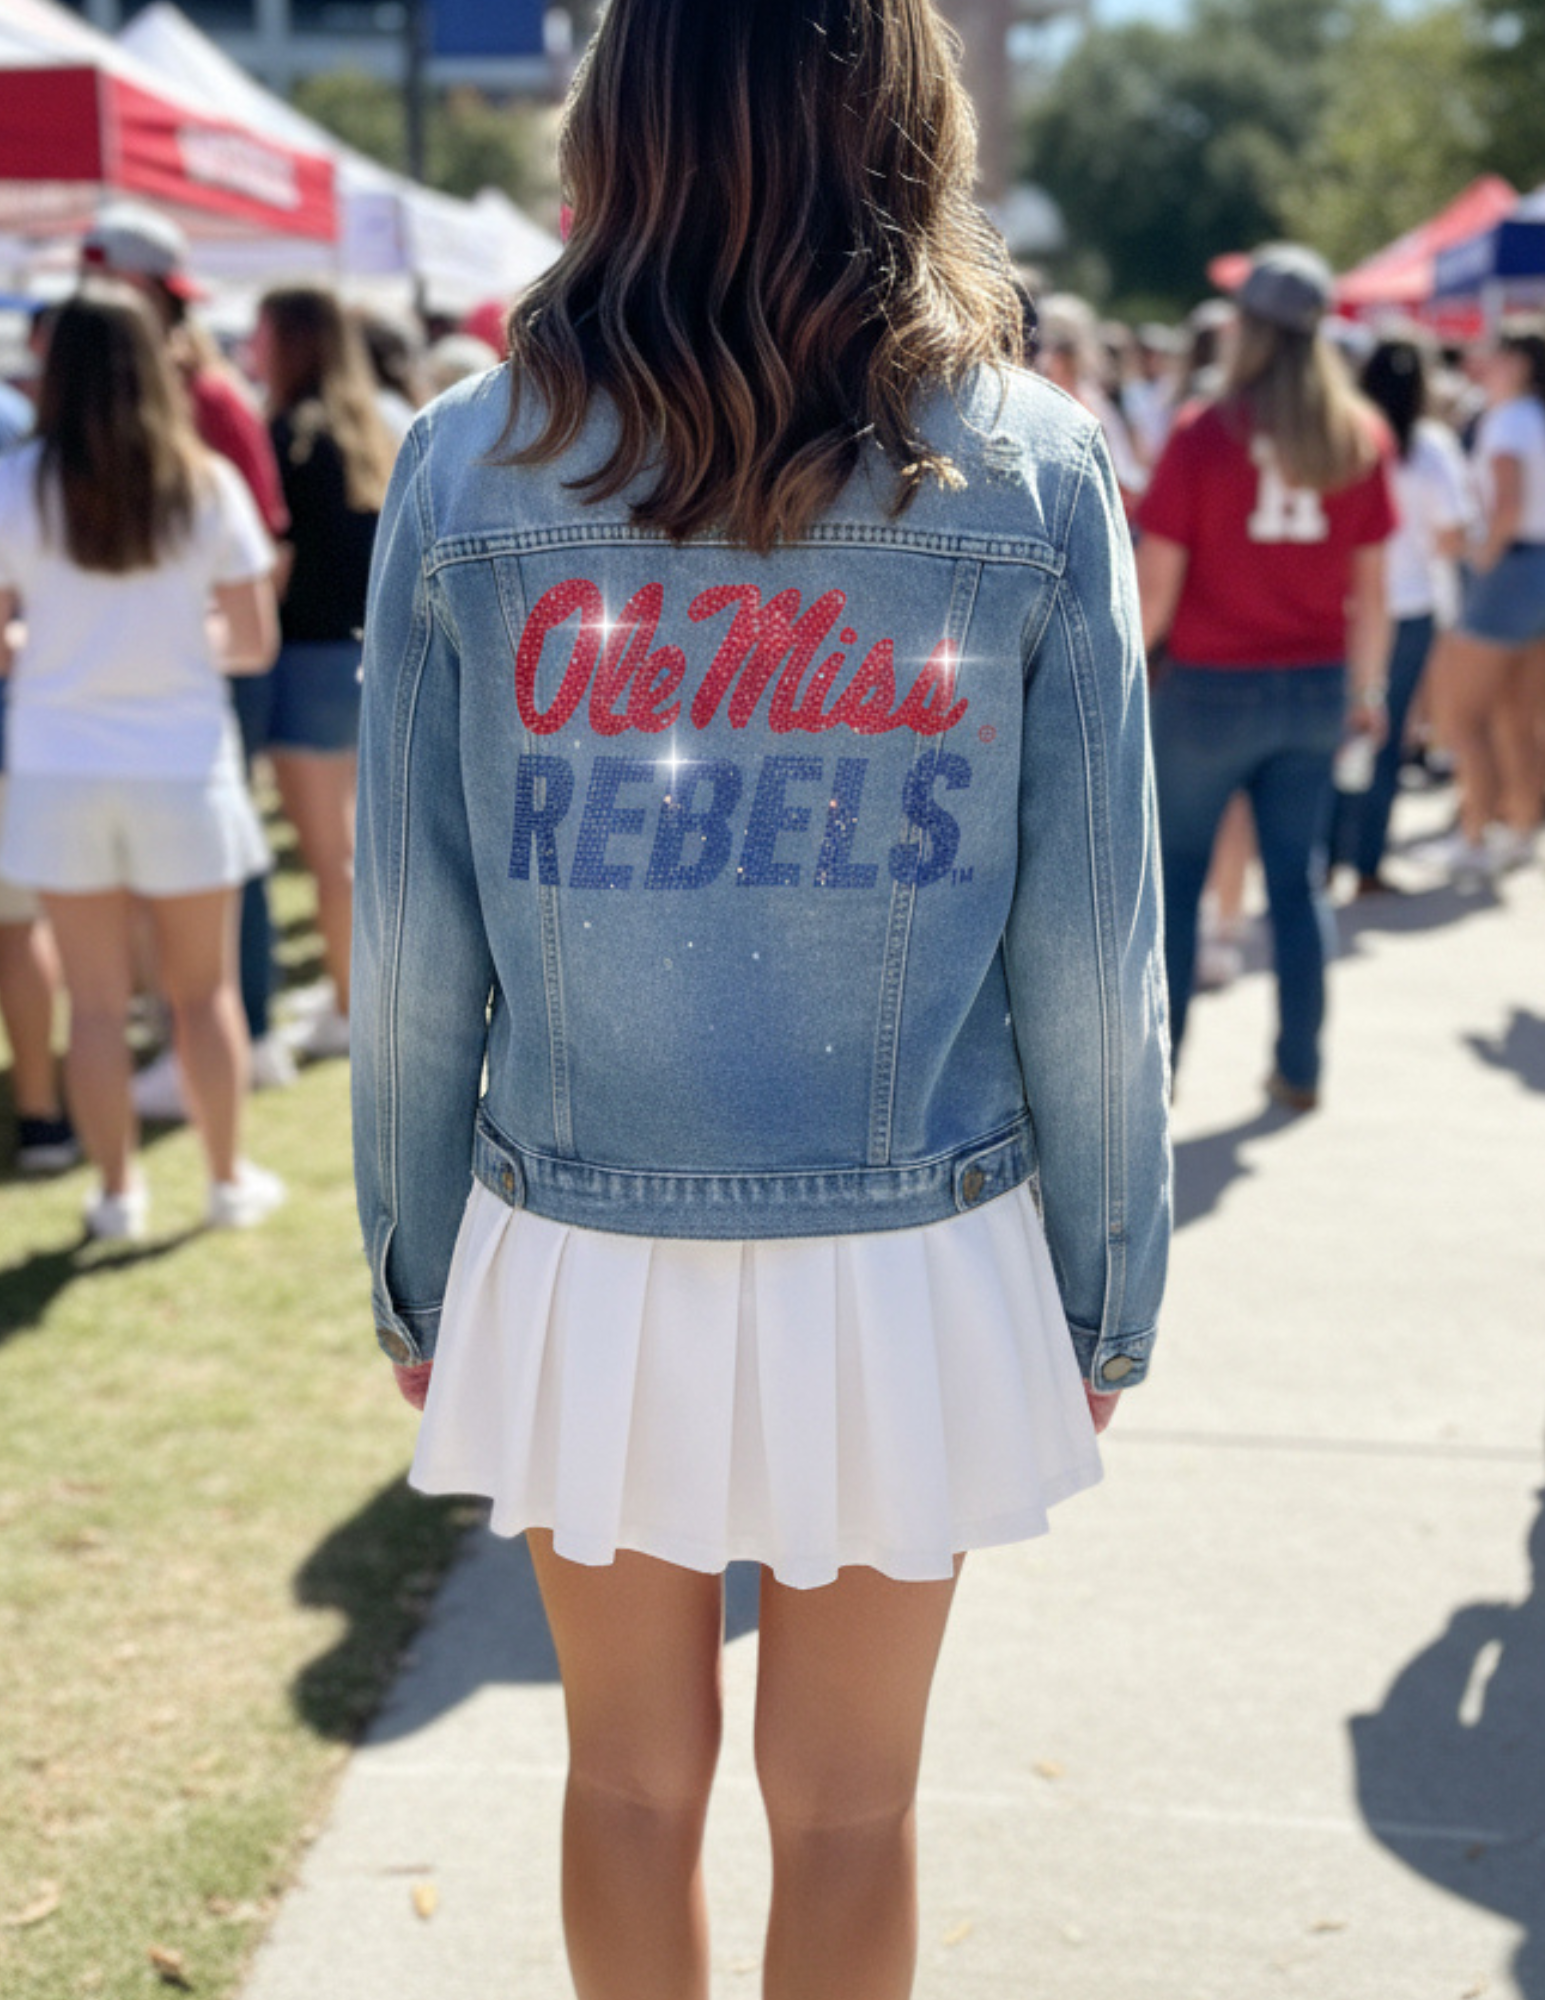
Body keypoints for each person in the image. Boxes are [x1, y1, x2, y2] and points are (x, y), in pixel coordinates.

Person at [352, 5, 1171, 1997]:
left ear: (615, 123)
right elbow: (1093, 950)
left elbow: (409, 940)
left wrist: (413, 1263)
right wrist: (1105, 1285)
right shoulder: (1028, 467)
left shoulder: (467, 463)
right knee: (853, 1807)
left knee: (625, 1781)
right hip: (918, 1240)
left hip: (575, 1226)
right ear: (906, 120)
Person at [0, 286, 285, 1239]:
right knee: (201, 995)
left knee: (91, 1005)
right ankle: (224, 1179)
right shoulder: (206, 484)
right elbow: (253, 642)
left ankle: (117, 1193)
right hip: (181, 764)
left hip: (56, 767)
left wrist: (54, 647)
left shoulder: (16, 483)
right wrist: (168, 641)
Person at [1137, 244, 1395, 1113]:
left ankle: (1160, 1076)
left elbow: (1155, 589)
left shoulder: (1203, 433)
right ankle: (1300, 1066)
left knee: (1175, 885)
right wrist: (1368, 693)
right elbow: (1371, 591)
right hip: (1314, 686)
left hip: (1208, 689)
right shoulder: (1357, 435)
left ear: (1246, 329)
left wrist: (1124, 676)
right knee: (1295, 884)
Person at [81, 204, 298, 1110]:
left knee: (222, 857)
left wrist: (187, 639)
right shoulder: (146, 399)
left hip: (202, 673)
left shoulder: (206, 400)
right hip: (160, 677)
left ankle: (248, 1031)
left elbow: (268, 550)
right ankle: (215, 1031)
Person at [252, 286, 395, 1058]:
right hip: (364, 656)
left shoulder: (291, 437)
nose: (254, 347)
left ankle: (349, 1008)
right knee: (358, 850)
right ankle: (356, 993)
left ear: (291, 341)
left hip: (307, 660)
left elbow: (276, 565)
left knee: (330, 856)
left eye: (263, 333)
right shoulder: (371, 429)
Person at [1332, 334, 1473, 894]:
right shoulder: (1432, 446)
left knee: (1332, 735)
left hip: (1342, 605)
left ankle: (1325, 858)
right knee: (1385, 741)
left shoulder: (1342, 431)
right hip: (1409, 605)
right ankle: (1367, 863)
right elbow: (1453, 535)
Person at [1427, 317, 1545, 880]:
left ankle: (1473, 835)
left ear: (1518, 362)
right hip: (1535, 569)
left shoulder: (1510, 420)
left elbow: (1507, 507)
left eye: (1493, 353)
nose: (1481, 362)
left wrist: (1480, 558)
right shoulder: (1531, 416)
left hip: (1512, 570)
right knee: (1519, 714)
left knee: (1463, 715)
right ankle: (1520, 830)